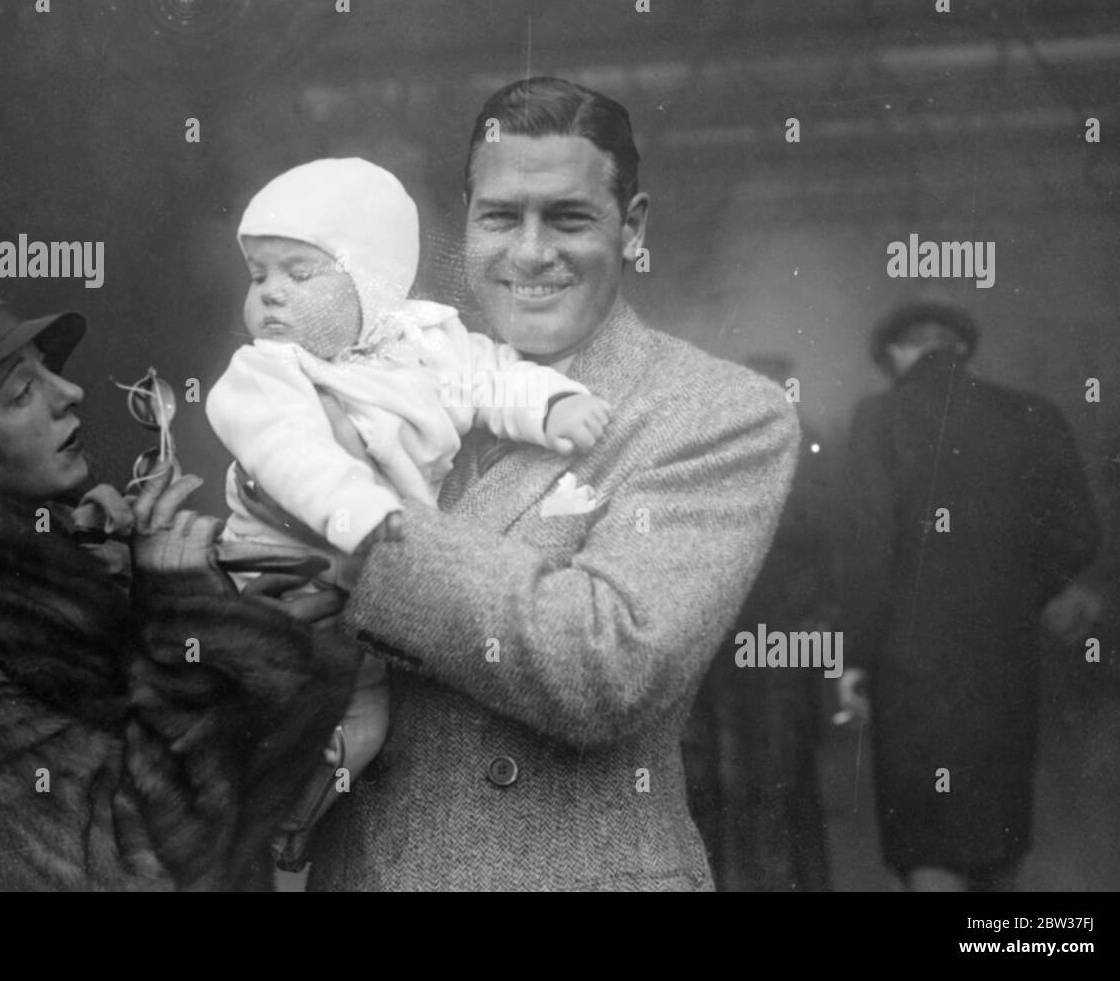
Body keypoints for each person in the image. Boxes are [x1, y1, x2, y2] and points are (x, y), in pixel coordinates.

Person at [306, 76, 801, 891]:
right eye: (500, 217)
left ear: (632, 227)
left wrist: (364, 537)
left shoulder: (717, 414)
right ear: (466, 224)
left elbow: (613, 665)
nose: (530, 252)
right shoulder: (389, 376)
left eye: (567, 217)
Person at [0, 285, 359, 891]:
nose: (70, 393)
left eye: (46, 371)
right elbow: (128, 871)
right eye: (21, 392)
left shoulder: (59, 572)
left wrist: (166, 609)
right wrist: (192, 636)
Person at [204, 158, 613, 857]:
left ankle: (295, 816)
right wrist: (361, 515)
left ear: (375, 281)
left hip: (383, 574)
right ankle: (247, 807)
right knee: (275, 697)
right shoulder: (270, 371)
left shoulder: (426, 340)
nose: (270, 296)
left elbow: (493, 378)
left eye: (299, 275)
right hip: (286, 574)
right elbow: (291, 455)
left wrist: (552, 404)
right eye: (258, 275)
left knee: (367, 718)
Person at [838, 302, 1100, 892]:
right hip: (1004, 660)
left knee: (928, 832)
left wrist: (854, 657)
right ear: (959, 349)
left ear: (899, 355)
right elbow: (1079, 533)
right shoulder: (1035, 414)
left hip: (912, 667)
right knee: (994, 828)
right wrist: (1016, 593)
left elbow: (869, 548)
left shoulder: (880, 419)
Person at [682, 354, 836, 892]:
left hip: (757, 646)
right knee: (752, 786)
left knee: (757, 785)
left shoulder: (716, 448)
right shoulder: (723, 447)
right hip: (750, 648)